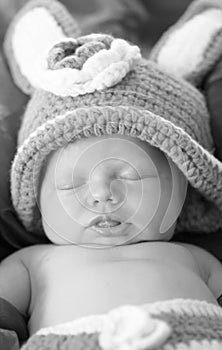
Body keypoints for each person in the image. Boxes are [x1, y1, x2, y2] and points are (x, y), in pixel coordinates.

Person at [2, 0, 222, 349]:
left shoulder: (196, 258)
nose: (102, 194)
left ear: (184, 187)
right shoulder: (32, 264)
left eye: (131, 176)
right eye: (70, 183)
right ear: (37, 202)